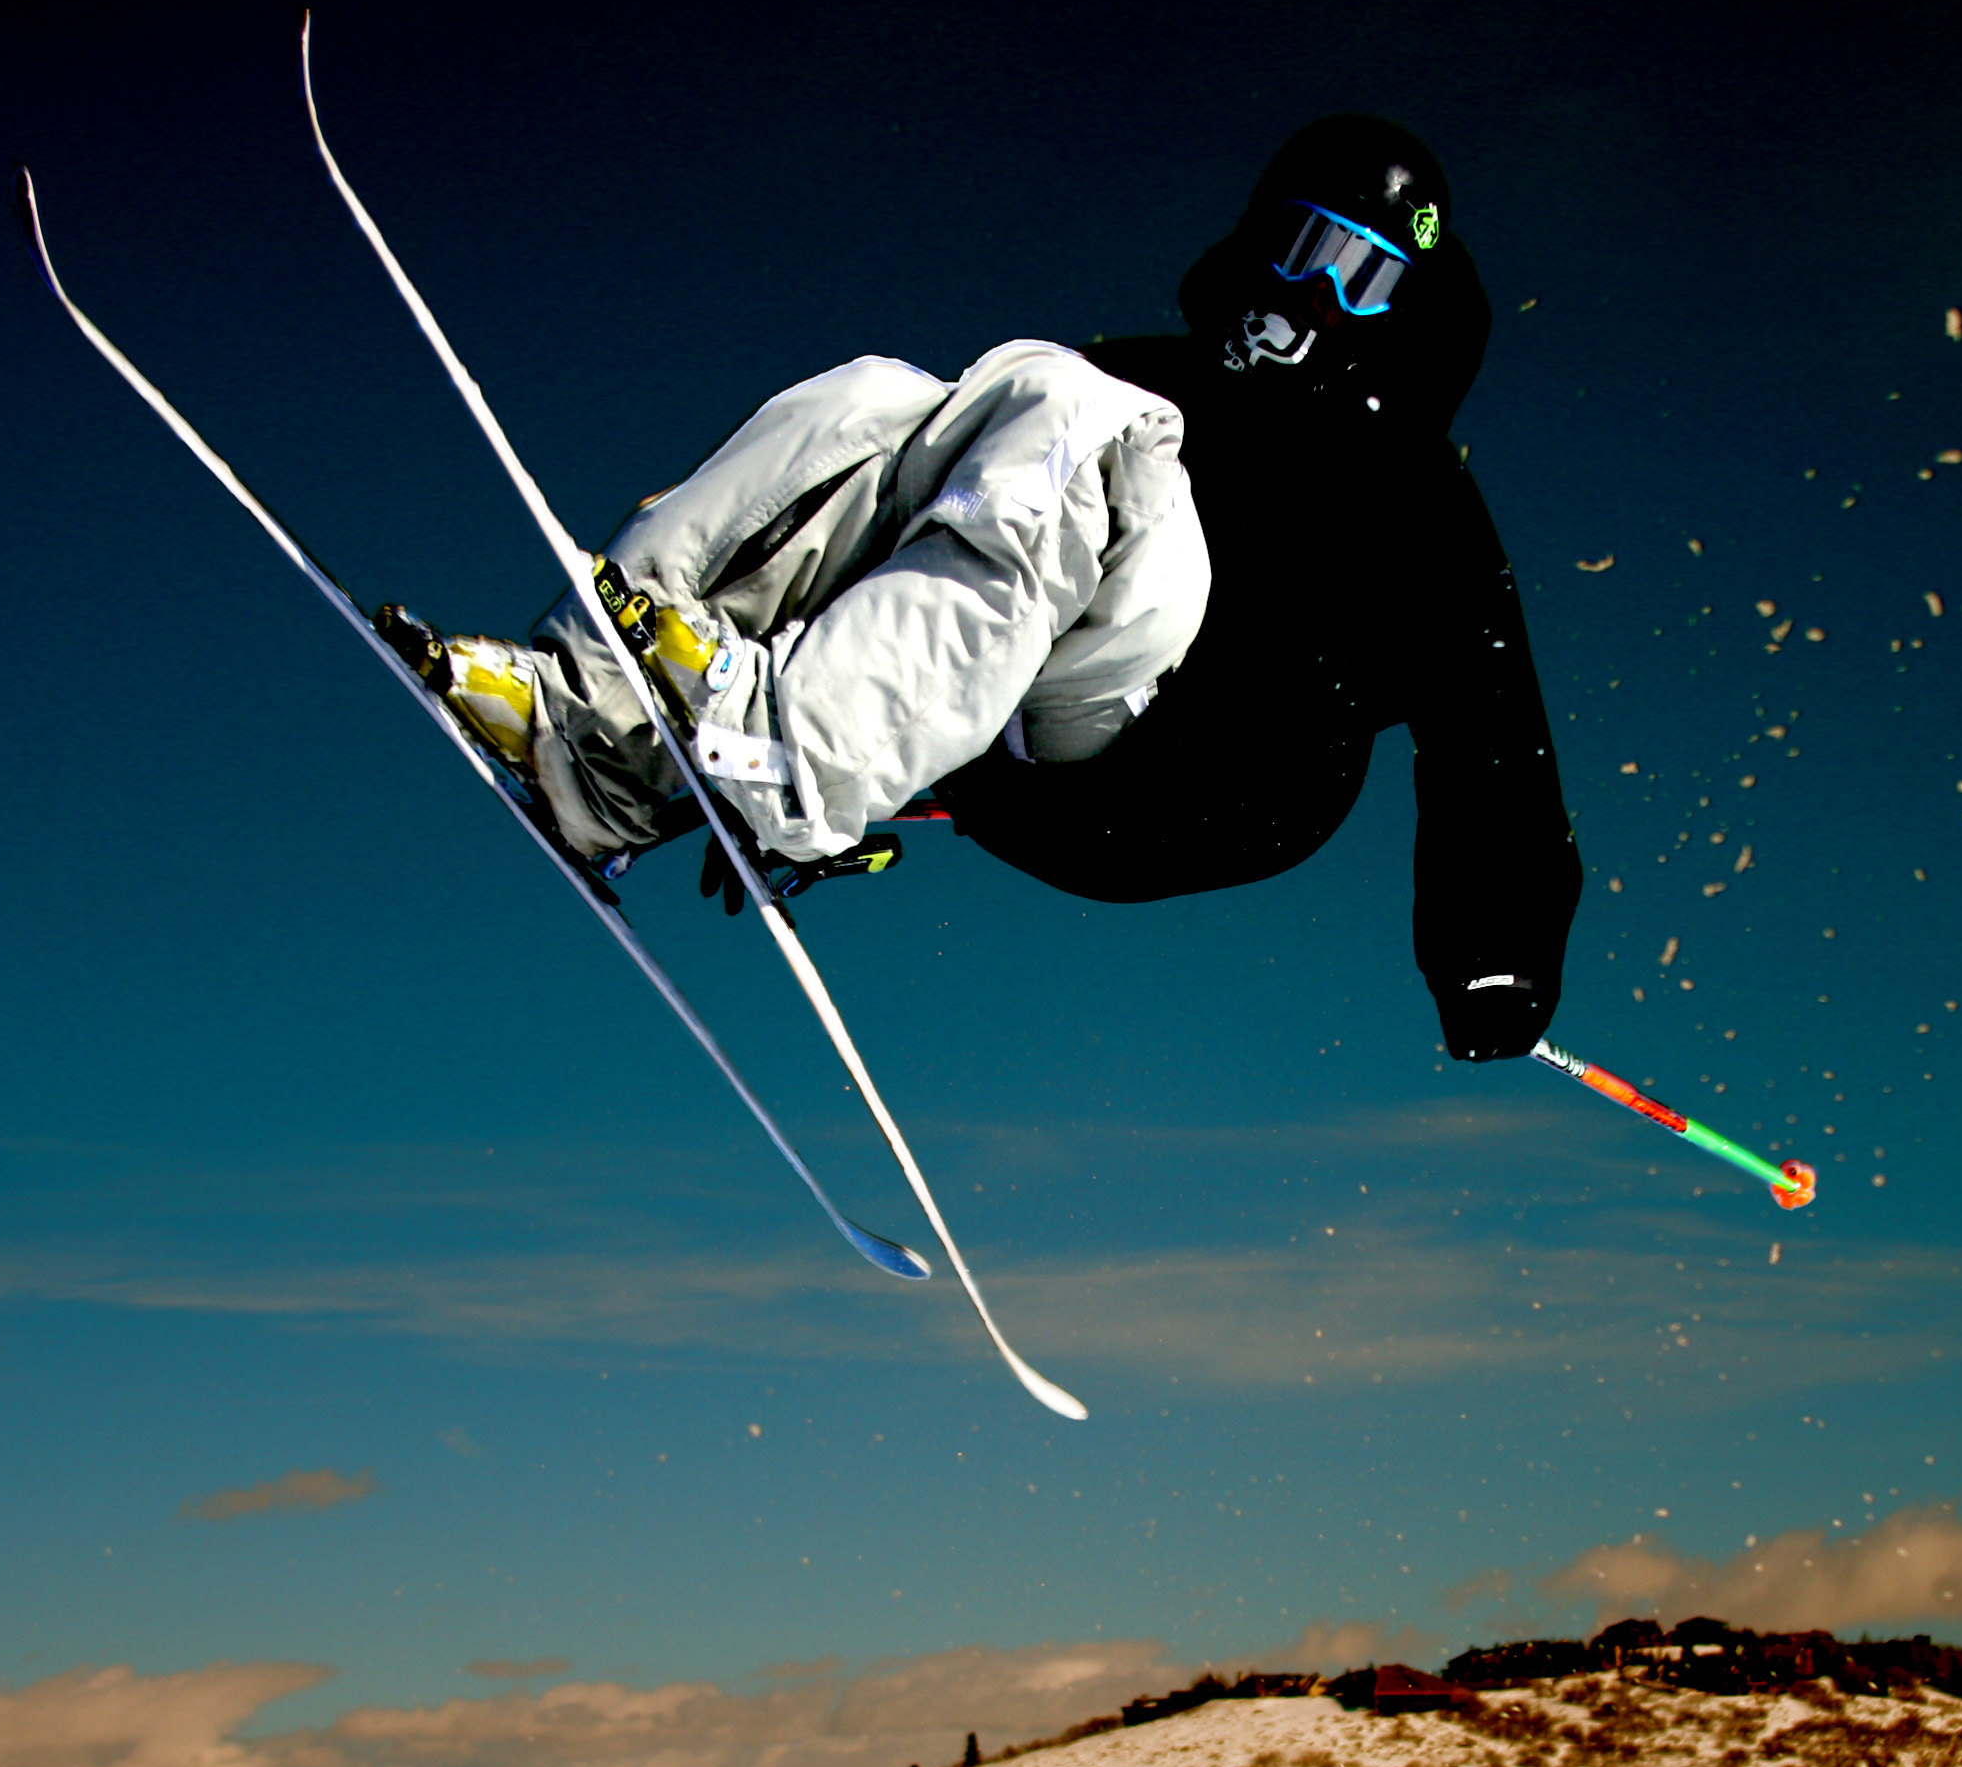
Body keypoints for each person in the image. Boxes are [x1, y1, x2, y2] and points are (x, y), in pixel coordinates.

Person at [411, 114, 1580, 1064]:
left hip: (1222, 776)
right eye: (1296, 245)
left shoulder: (1413, 491)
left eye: (1357, 273)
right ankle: (594, 736)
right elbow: (951, 542)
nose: (1308, 292)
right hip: (1032, 738)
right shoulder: (1141, 371)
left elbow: (1493, 740)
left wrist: (1498, 950)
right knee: (885, 406)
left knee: (1076, 416)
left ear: (1400, 312)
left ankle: (796, 752)